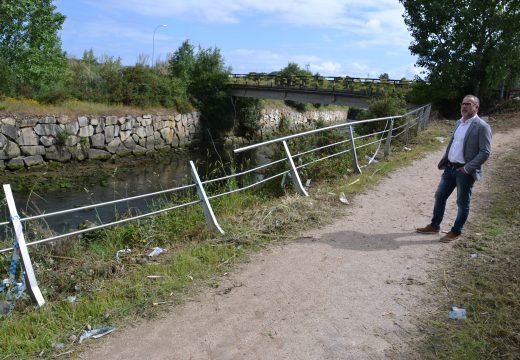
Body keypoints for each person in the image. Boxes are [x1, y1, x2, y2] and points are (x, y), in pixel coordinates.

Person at [416, 95, 492, 242]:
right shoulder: (459, 123)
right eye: (463, 104)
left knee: (462, 203)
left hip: (464, 172)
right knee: (440, 196)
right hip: (450, 168)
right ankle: (434, 226)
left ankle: (456, 231)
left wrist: (468, 168)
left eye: (468, 104)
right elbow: (454, 144)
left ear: (476, 107)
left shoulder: (482, 126)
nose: (464, 106)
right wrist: (446, 160)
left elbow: (485, 152)